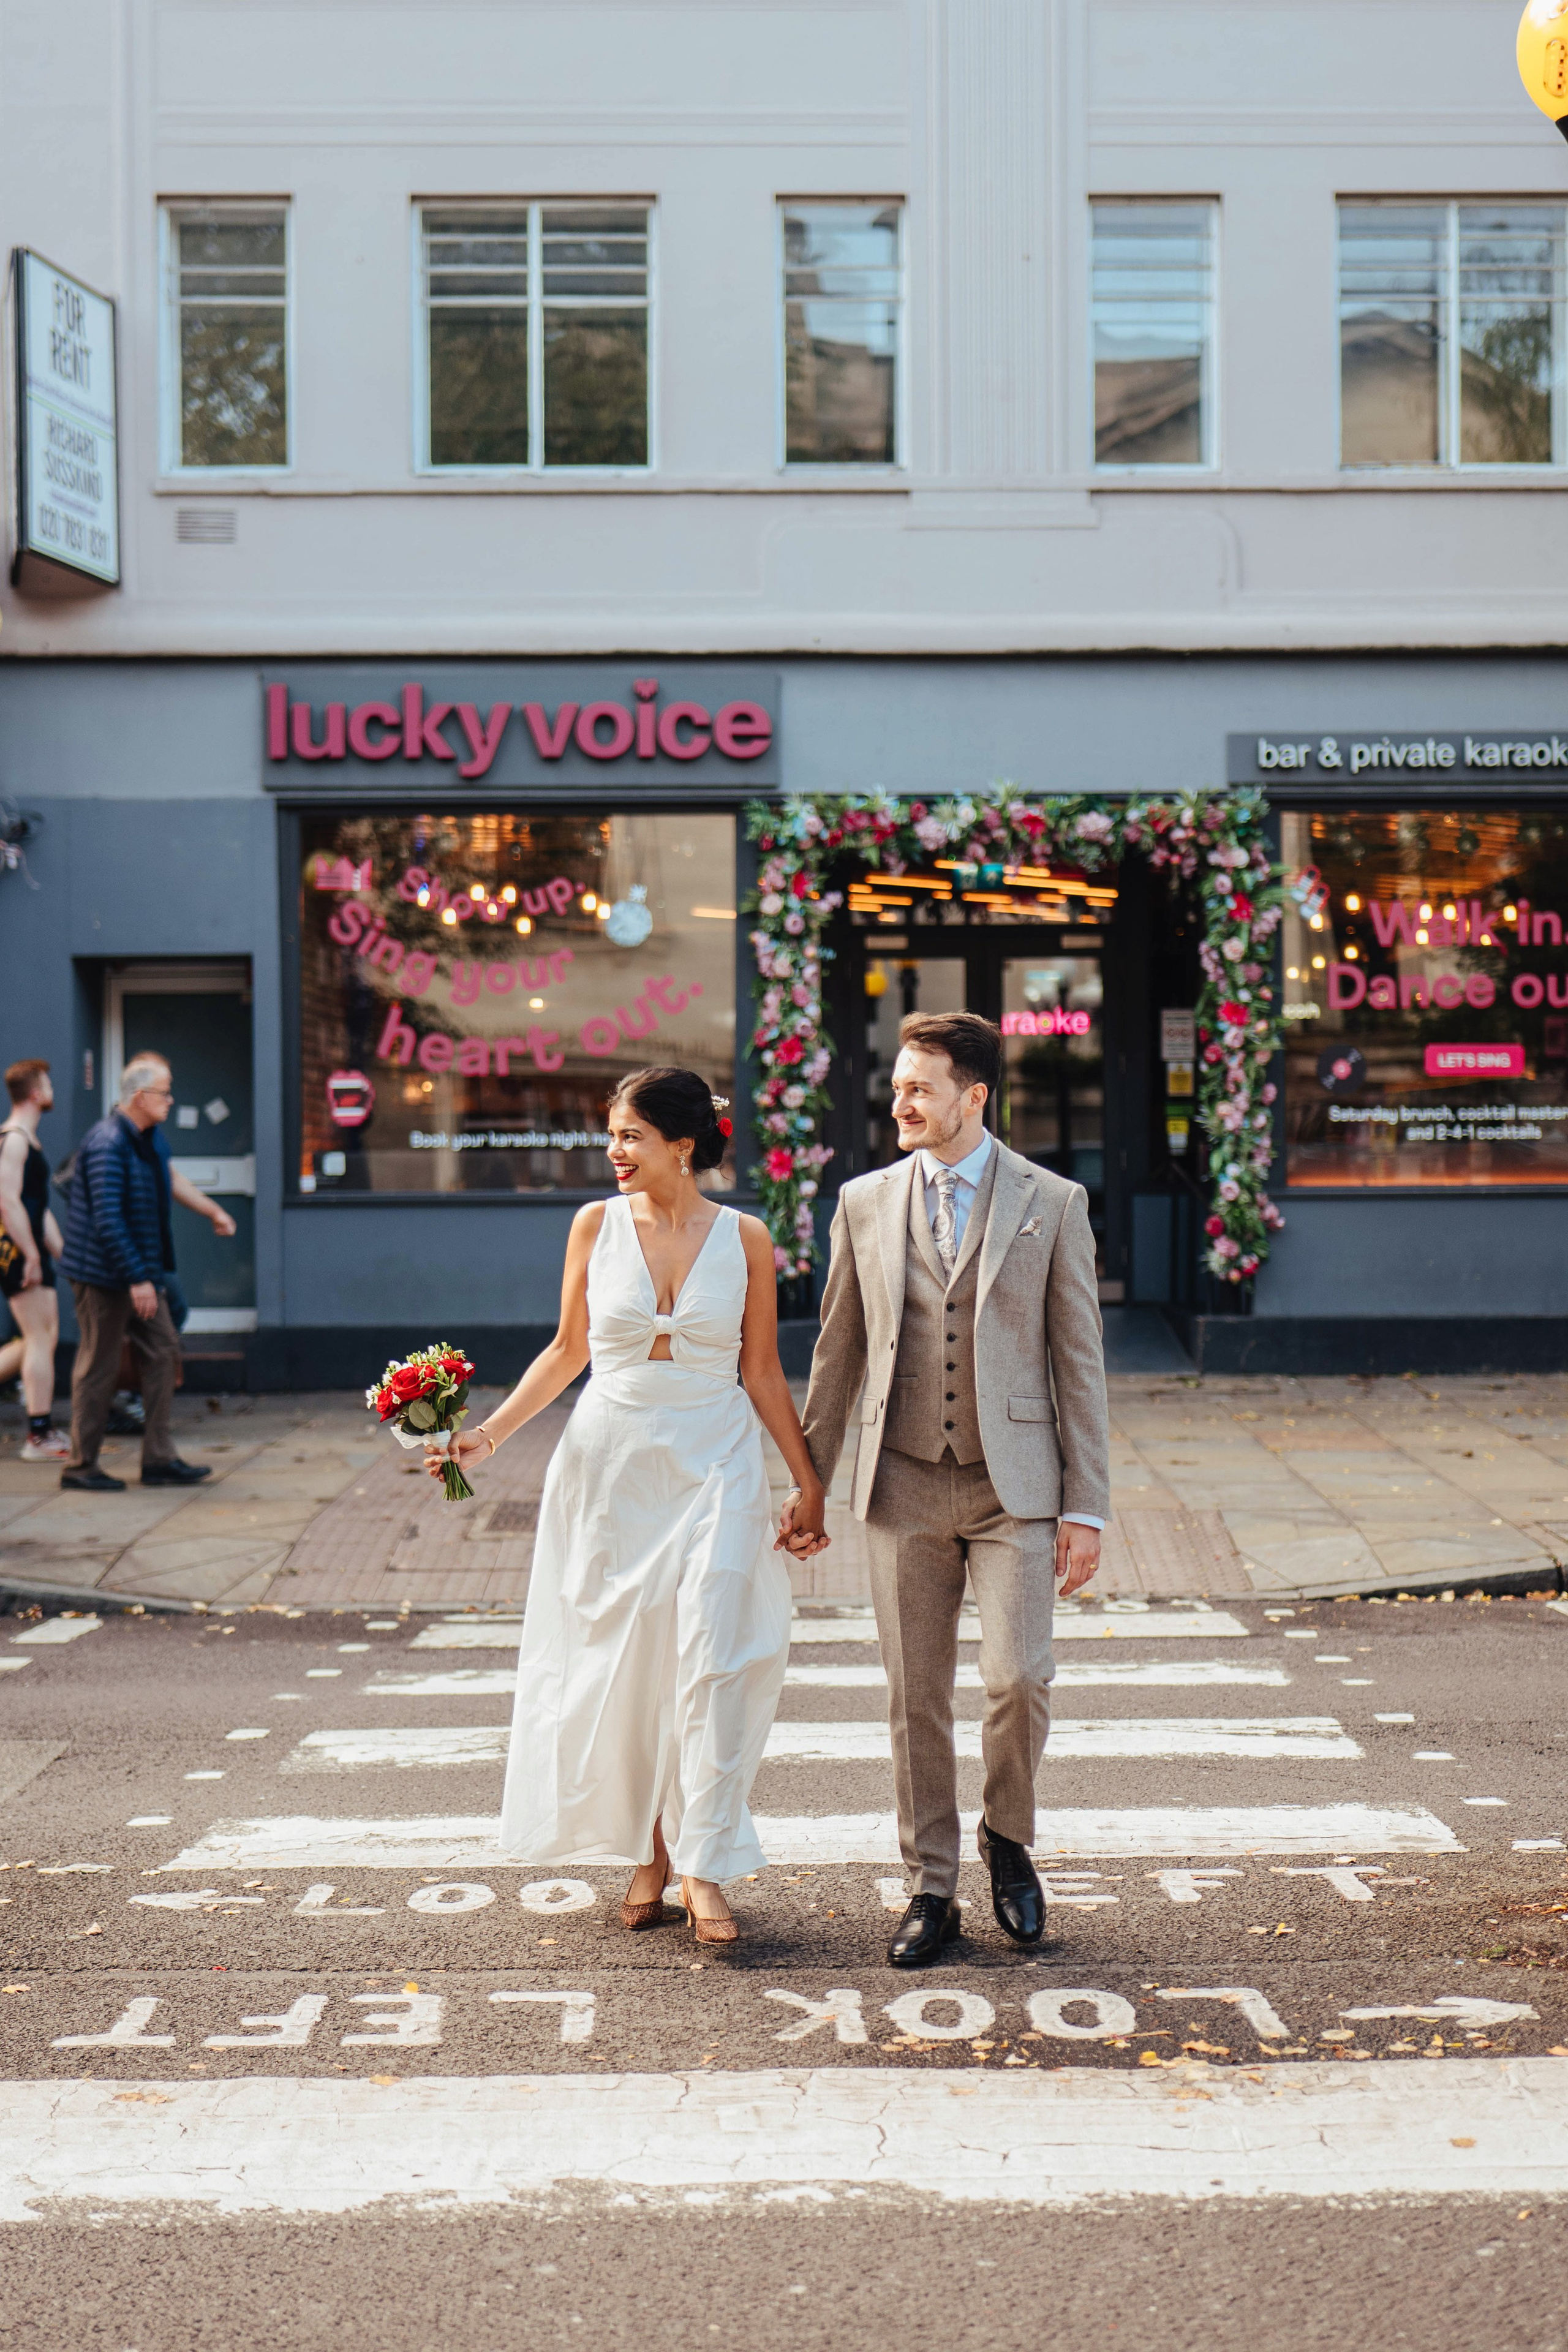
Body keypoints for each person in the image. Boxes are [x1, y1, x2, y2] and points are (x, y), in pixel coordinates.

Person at [431, 1066, 827, 1947]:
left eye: (628, 1136)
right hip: (610, 1467)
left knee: (714, 1655)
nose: (612, 1152)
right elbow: (568, 1349)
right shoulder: (593, 1226)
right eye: (610, 1135)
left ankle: (704, 1861)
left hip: (716, 1460)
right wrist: (485, 1437)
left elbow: (760, 1371)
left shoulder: (747, 1238)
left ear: (681, 1145)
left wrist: (808, 1480)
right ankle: (649, 1851)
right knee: (629, 1663)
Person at [788, 1011, 1110, 1969]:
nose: (902, 1103)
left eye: (921, 1088)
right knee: (913, 1697)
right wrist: (810, 1482)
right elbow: (837, 1350)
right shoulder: (863, 1201)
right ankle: (931, 1886)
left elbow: (1079, 1360)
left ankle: (1007, 1840)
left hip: (1016, 1486)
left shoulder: (1053, 1202)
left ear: (974, 1097)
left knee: (1020, 1677)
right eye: (899, 1085)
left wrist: (1086, 1504)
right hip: (902, 1483)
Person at [58, 1052, 236, 1493]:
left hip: (141, 1272)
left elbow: (170, 1179)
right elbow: (107, 1220)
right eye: (165, 1092)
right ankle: (81, 1467)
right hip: (103, 1276)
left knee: (162, 1352)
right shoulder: (106, 1144)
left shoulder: (149, 1138)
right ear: (140, 1097)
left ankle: (158, 1459)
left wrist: (213, 1210)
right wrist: (138, 1279)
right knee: (97, 1368)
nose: (172, 1100)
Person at [0, 1060, 69, 1461]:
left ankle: (41, 1434)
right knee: (40, 1339)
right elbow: (7, 1203)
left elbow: (37, 1207)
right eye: (48, 1083)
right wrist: (30, 1256)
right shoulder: (14, 1140)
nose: (52, 1090)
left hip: (31, 1250)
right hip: (17, 1252)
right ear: (35, 1094)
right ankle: (38, 1437)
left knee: (41, 1338)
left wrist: (60, 1252)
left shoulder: (29, 1140)